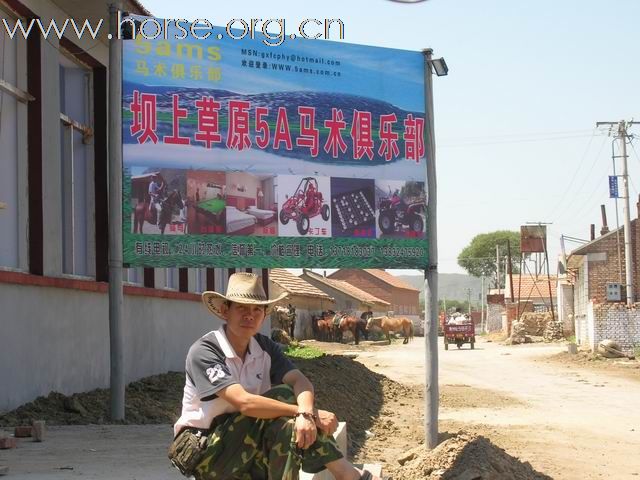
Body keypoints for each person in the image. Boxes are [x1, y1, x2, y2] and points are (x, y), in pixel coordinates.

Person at [172, 272, 380, 480]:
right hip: (209, 453)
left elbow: (300, 380)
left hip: (246, 444)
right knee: (284, 394)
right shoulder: (206, 351)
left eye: (256, 309)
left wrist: (305, 414)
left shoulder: (264, 347)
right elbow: (244, 403)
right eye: (241, 308)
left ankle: (346, 474)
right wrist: (311, 414)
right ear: (226, 310)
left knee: (289, 427)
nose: (249, 315)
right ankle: (348, 475)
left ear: (264, 314)